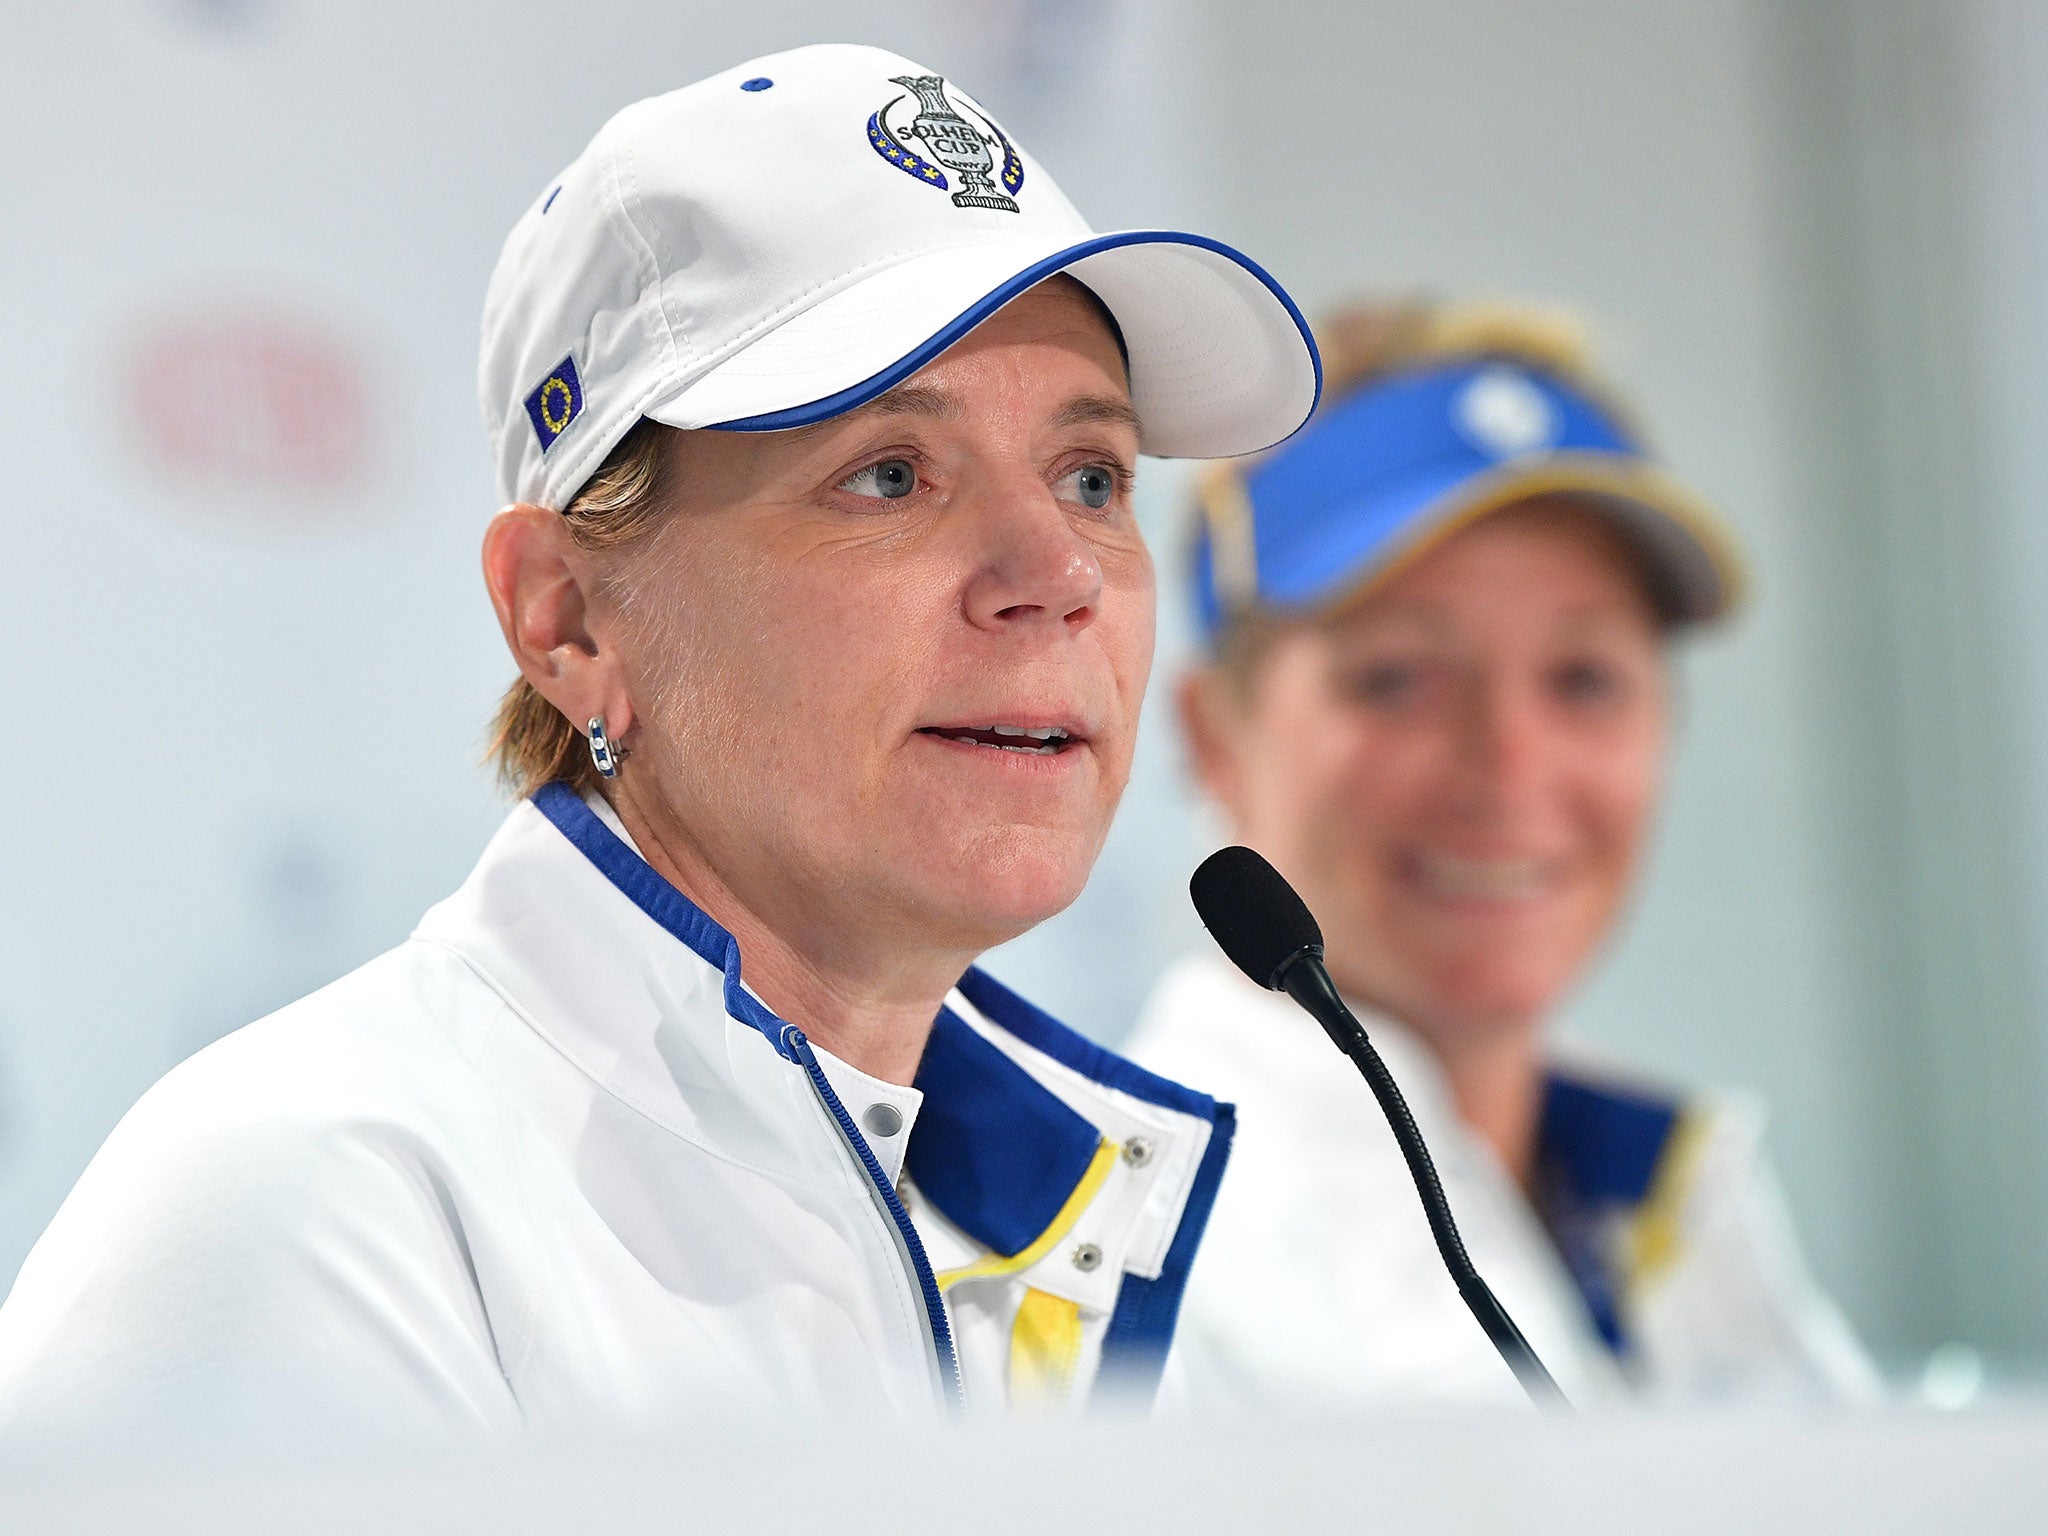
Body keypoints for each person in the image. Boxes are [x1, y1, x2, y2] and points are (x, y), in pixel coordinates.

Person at [0, 44, 1319, 1446]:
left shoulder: (1091, 1243)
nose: (1056, 569)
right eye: (890, 474)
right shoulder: (319, 1217)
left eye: (1093, 476)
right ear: (567, 620)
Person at [1127, 300, 1878, 1408]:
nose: (1509, 768)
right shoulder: (1154, 1277)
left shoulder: (1659, 1193)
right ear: (1210, 735)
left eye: (1583, 679)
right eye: (1397, 678)